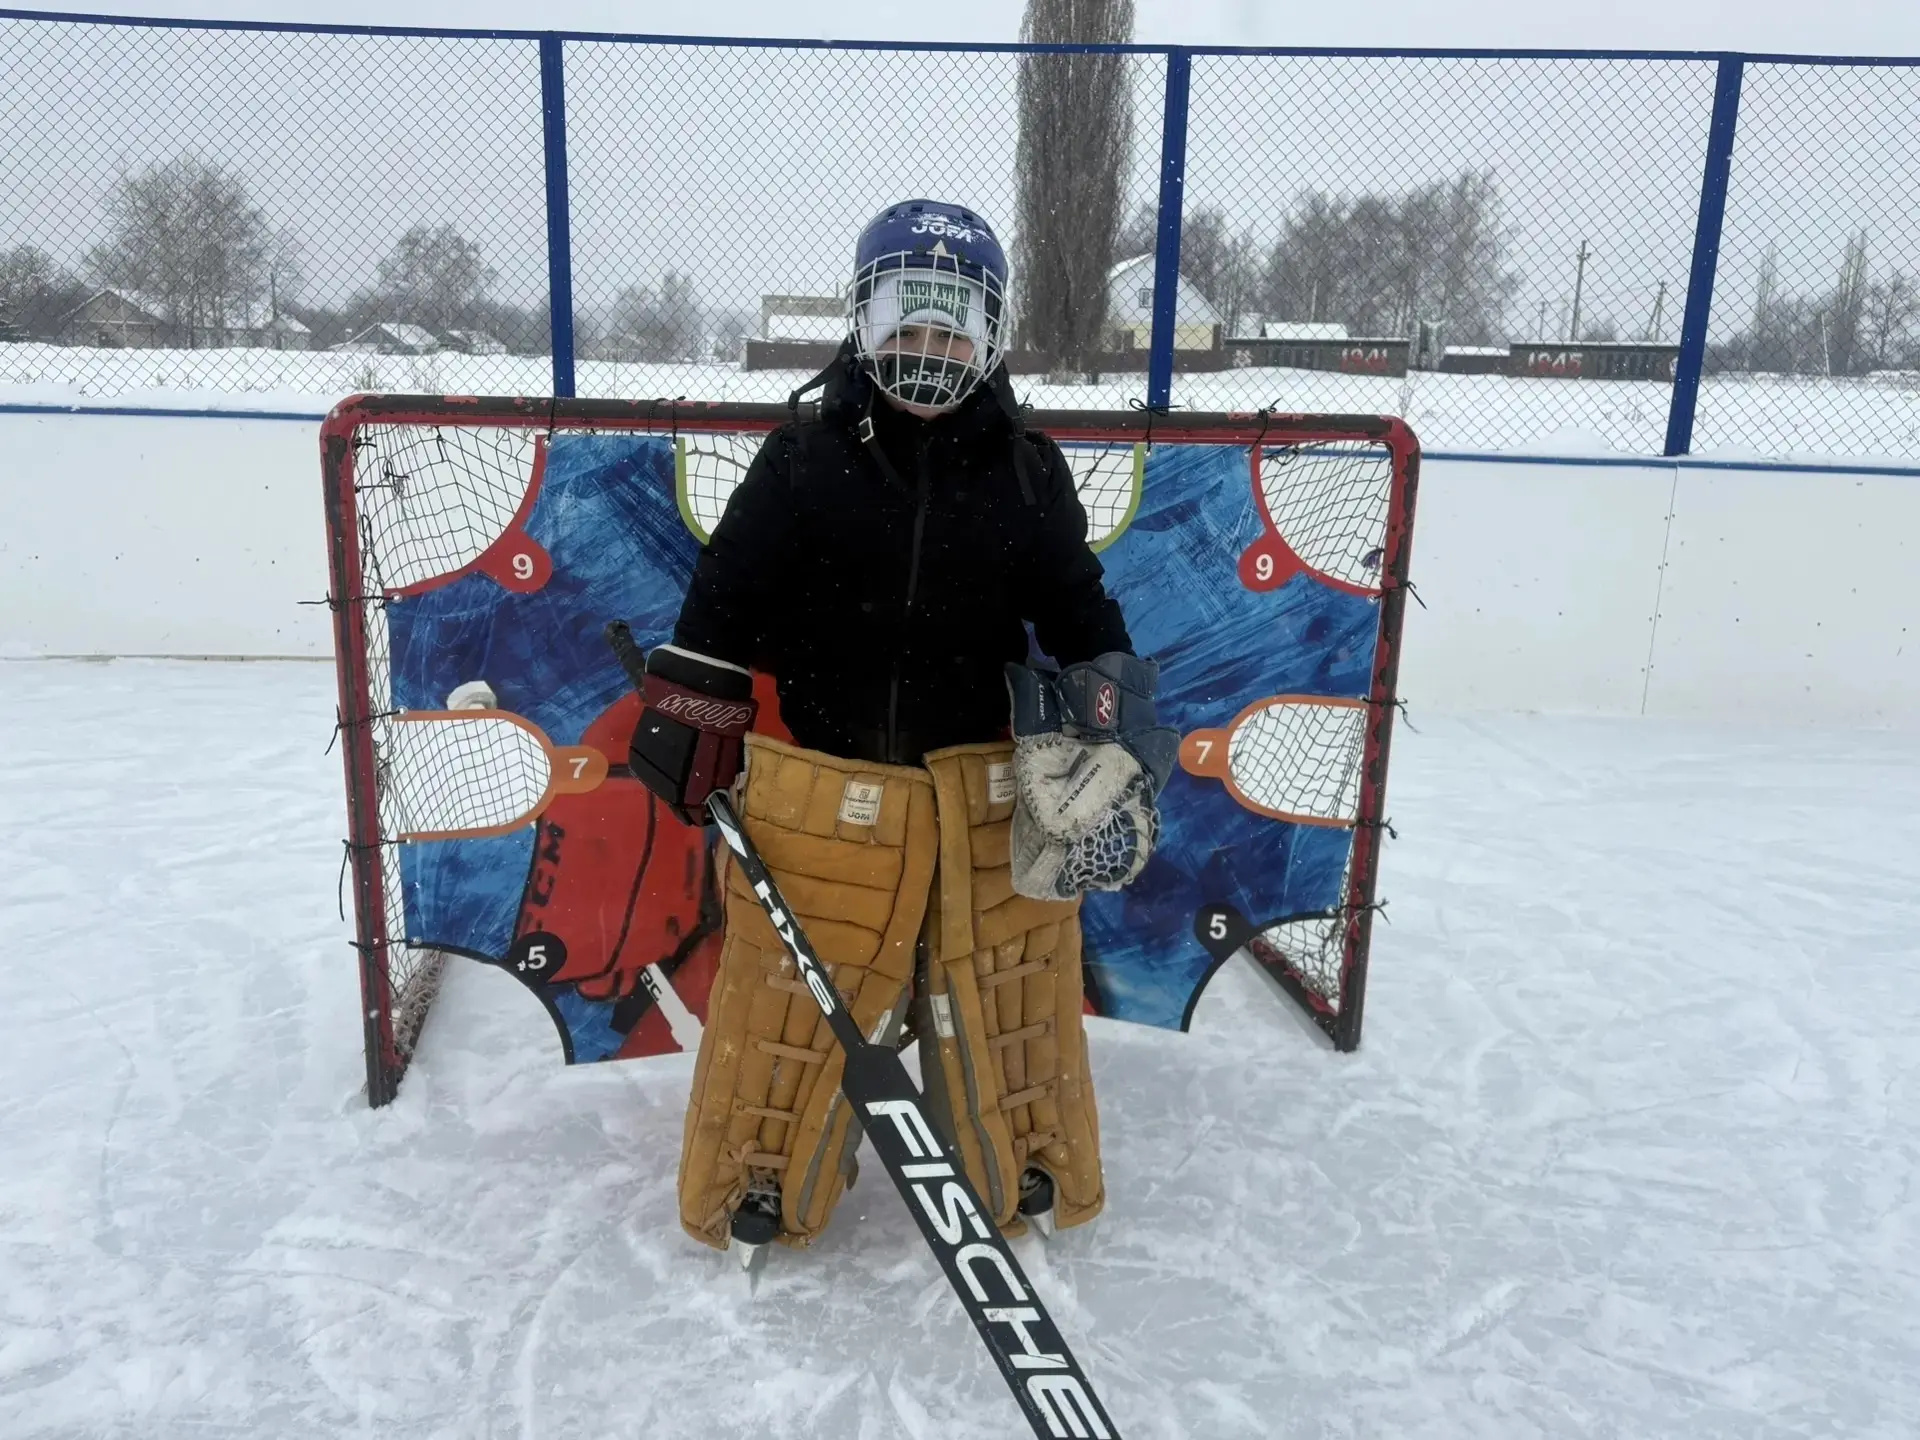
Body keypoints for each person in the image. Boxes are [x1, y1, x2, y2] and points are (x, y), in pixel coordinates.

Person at [623, 198, 1176, 1263]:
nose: (929, 353)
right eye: (907, 329)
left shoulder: (1026, 470)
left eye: (953, 329)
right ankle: (762, 1182)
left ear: (992, 335)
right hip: (829, 799)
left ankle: (1026, 1169)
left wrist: (1113, 735)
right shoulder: (801, 459)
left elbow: (1080, 613)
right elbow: (724, 598)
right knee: (792, 1014)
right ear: (864, 324)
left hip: (982, 799)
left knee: (1006, 1005)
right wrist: (692, 715)